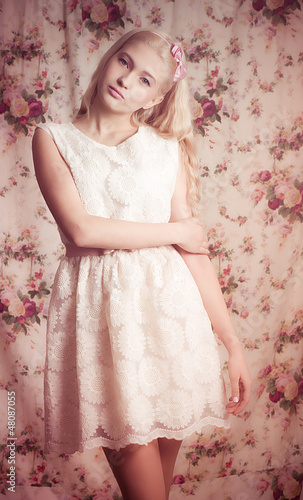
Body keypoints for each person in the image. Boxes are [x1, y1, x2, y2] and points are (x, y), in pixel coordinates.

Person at [32, 28, 251, 500]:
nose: (128, 80)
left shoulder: (165, 149)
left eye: (147, 80)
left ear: (156, 98)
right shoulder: (53, 139)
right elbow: (83, 231)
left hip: (171, 321)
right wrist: (173, 232)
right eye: (125, 63)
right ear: (110, 57)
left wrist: (232, 344)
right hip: (105, 326)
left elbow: (195, 252)